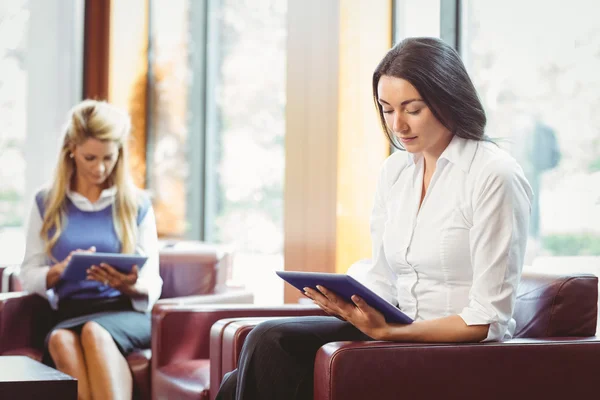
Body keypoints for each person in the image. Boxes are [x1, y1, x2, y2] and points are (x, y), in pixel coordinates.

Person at [216, 37, 533, 400]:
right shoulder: (396, 171)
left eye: (412, 109)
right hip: (395, 330)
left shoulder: (494, 175)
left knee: (267, 342)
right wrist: (349, 304)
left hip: (455, 350)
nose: (398, 125)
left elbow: (486, 320)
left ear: (447, 98)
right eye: (387, 109)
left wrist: (390, 334)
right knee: (245, 371)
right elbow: (383, 276)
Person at [20, 99, 162, 400]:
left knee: (95, 332)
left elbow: (153, 282)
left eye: (109, 158)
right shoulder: (46, 202)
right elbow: (29, 273)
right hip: (67, 312)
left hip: (122, 311)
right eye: (90, 158)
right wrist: (58, 271)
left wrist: (131, 284)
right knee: (60, 339)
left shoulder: (136, 204)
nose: (100, 168)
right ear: (71, 149)